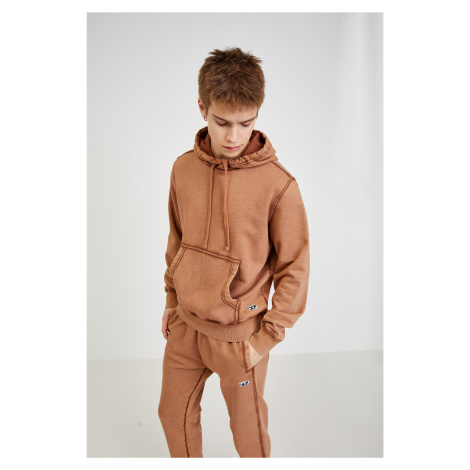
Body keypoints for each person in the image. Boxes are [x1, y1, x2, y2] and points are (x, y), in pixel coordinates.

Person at [158, 46, 310, 458]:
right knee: (172, 415)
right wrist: (171, 301)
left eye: (246, 123)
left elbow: (295, 266)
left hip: (241, 337)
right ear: (202, 108)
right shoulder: (183, 168)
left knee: (248, 432)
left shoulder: (279, 185)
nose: (233, 136)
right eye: (222, 122)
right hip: (186, 326)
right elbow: (176, 239)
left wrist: (267, 337)